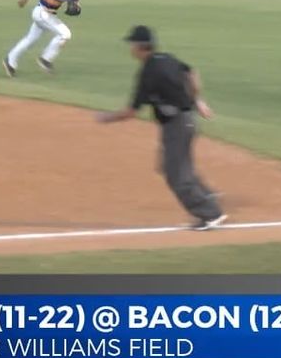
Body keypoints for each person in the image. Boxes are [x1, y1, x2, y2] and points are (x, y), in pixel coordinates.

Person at [95, 25, 227, 230]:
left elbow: (131, 112)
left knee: (176, 174)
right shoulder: (166, 58)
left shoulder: (148, 72)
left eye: (132, 45)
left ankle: (210, 214)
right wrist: (197, 100)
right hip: (185, 121)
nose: (130, 49)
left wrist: (107, 118)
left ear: (140, 47)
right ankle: (206, 196)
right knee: (171, 166)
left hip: (178, 125)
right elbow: (190, 72)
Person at [3, 0, 88, 76]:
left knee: (30, 40)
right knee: (65, 34)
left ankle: (10, 60)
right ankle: (45, 59)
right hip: (41, 12)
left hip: (48, 15)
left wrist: (76, 7)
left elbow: (73, 1)